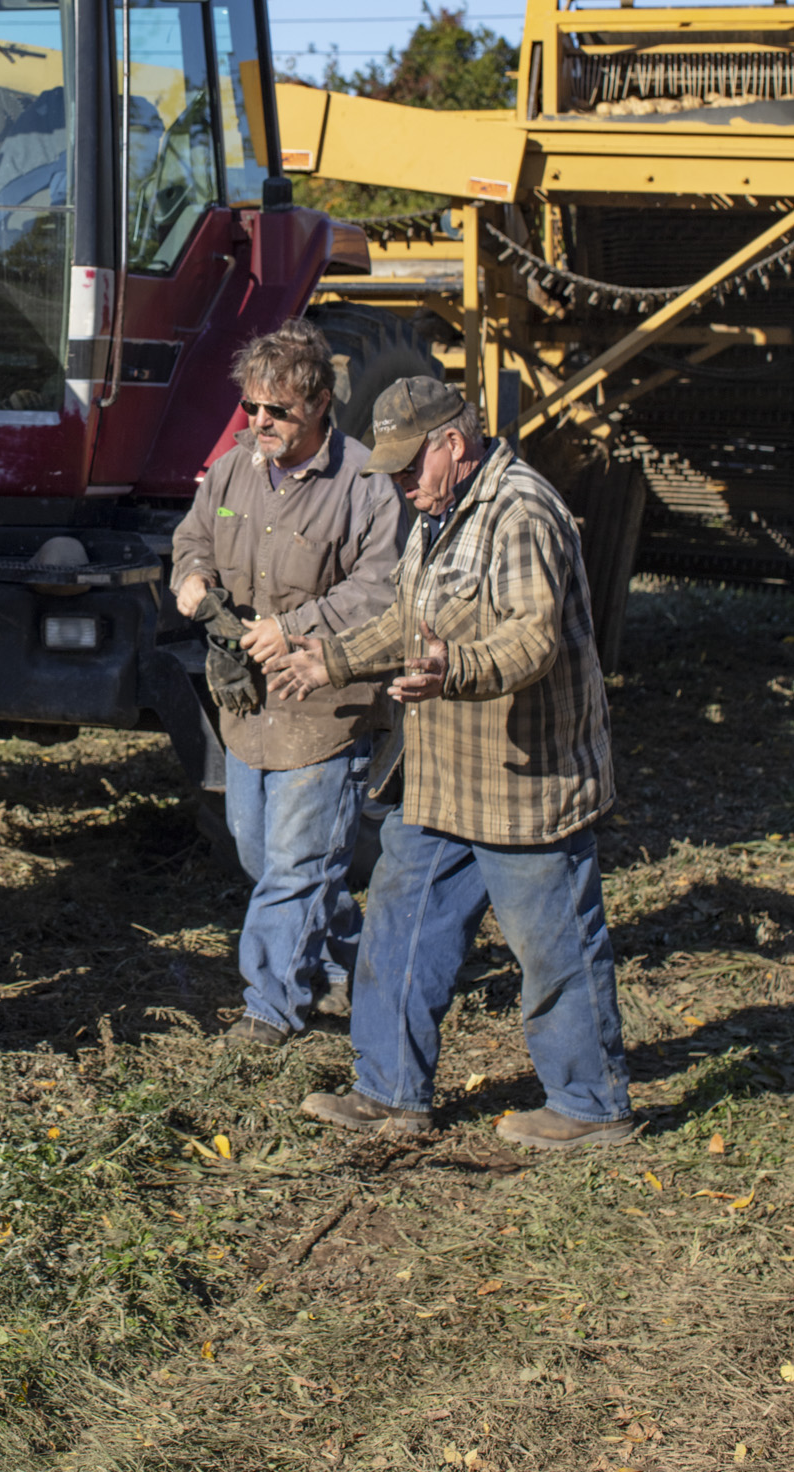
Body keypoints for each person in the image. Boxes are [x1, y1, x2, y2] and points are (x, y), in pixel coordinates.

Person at [266, 376, 633, 1150]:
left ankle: (589, 1106)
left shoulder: (522, 511)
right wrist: (328, 660)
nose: (399, 485)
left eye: (408, 468)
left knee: (553, 946)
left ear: (453, 446)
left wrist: (453, 669)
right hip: (439, 776)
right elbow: (408, 617)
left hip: (524, 780)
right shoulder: (436, 516)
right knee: (398, 929)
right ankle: (389, 1090)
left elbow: (530, 638)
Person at [171, 320, 406, 1047]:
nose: (260, 423)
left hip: (325, 708)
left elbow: (382, 589)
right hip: (249, 709)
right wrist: (190, 574)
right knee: (257, 852)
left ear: (321, 405)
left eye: (278, 411)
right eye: (251, 409)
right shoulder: (235, 468)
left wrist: (297, 624)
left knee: (295, 867)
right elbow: (193, 536)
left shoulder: (365, 483)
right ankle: (360, 968)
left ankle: (270, 1007)